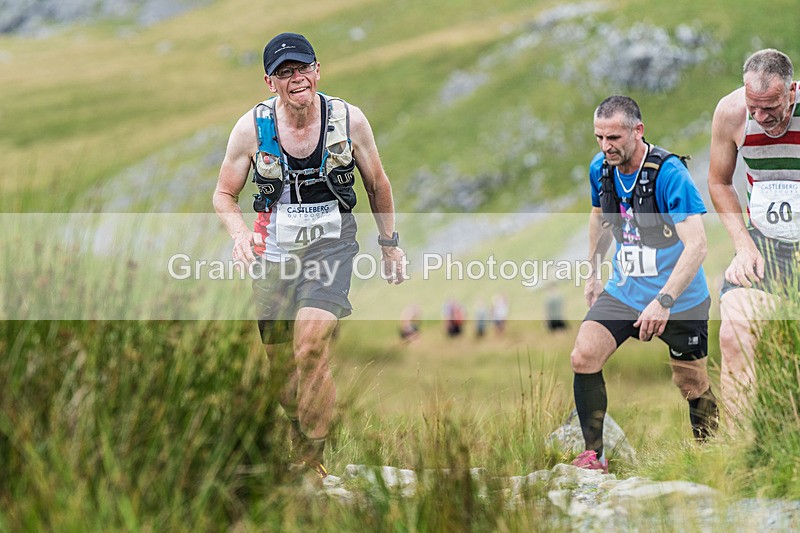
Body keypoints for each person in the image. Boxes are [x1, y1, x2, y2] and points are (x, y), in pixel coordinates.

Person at [212, 32, 406, 482]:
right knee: (282, 370)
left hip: (331, 246)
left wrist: (389, 244)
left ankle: (312, 460)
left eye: (302, 68)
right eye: (284, 73)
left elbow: (377, 184)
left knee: (310, 345)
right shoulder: (251, 129)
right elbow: (224, 194)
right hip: (273, 254)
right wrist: (240, 235)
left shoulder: (347, 119)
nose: (296, 79)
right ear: (269, 81)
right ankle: (301, 437)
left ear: (317, 70)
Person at [570, 96, 718, 473]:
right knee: (583, 356)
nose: (606, 146)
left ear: (639, 130)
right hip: (625, 290)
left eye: (614, 136)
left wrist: (665, 301)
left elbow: (698, 245)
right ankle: (594, 456)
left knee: (691, 383)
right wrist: (592, 272)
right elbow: (599, 218)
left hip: (680, 297)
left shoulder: (670, 175)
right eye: (599, 137)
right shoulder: (601, 169)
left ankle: (713, 455)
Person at [707, 49, 799, 425]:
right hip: (765, 245)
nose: (761, 118)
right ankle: (736, 453)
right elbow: (718, 181)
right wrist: (743, 245)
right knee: (733, 334)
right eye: (754, 107)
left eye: (771, 107)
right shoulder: (731, 112)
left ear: (792, 91)